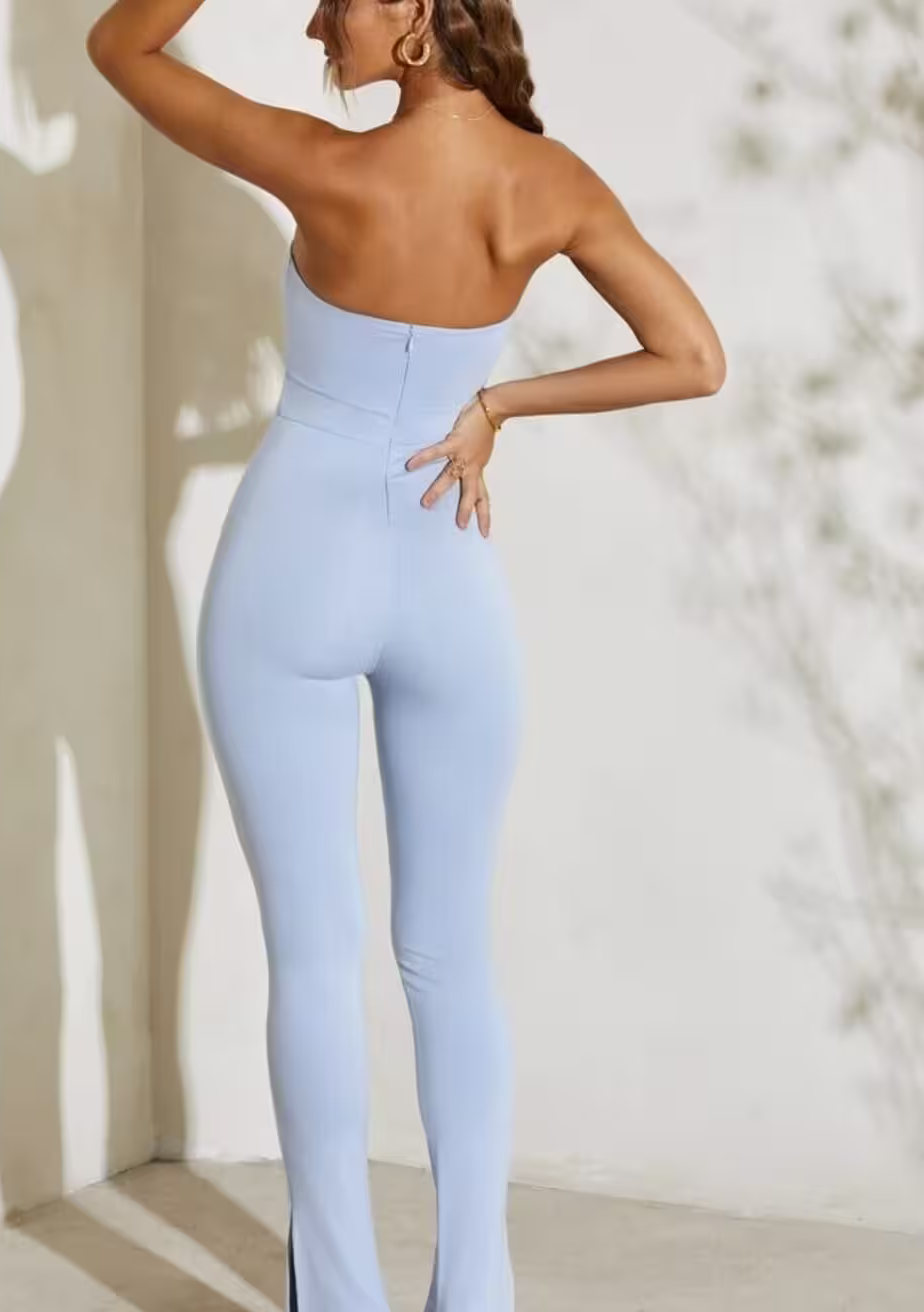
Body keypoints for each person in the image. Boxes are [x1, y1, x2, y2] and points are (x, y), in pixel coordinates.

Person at [87, 3, 726, 1310]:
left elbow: (118, 48)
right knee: (450, 959)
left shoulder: (321, 165)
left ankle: (338, 1300)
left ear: (423, 17)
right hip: (449, 577)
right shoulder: (552, 185)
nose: (316, 21)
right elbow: (695, 358)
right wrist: (496, 404)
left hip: (289, 571)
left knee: (316, 959)